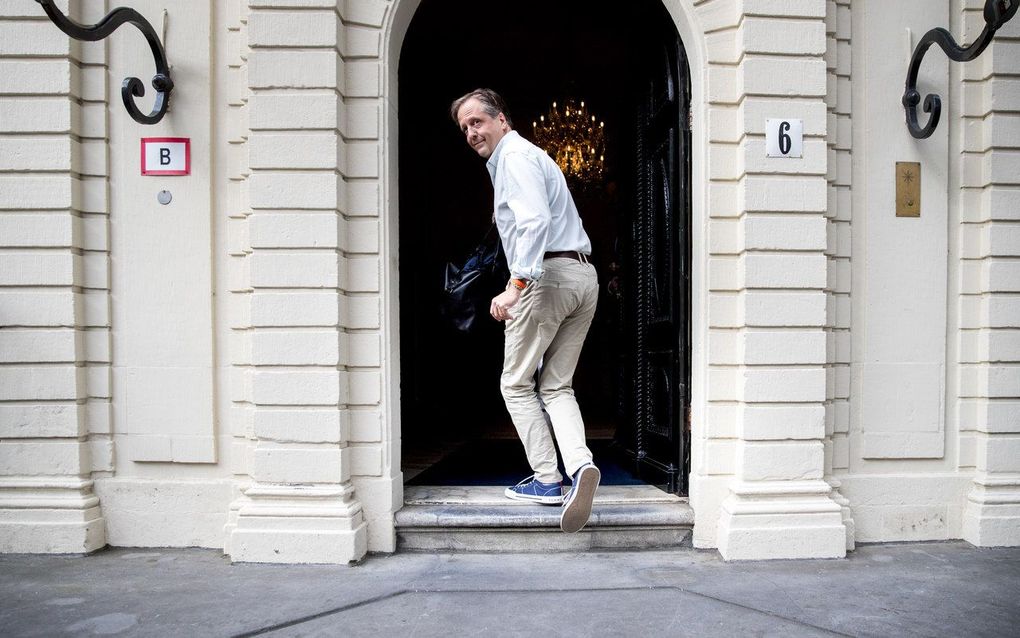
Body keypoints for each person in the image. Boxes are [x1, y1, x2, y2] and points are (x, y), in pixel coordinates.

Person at [450, 88, 601, 534]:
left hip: (546, 278)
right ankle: (581, 465)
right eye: (464, 128)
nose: (472, 132)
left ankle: (548, 479)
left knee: (515, 383)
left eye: (477, 122)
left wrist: (516, 286)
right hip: (581, 276)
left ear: (502, 120)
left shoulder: (515, 157)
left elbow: (534, 221)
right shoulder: (529, 158)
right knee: (556, 385)